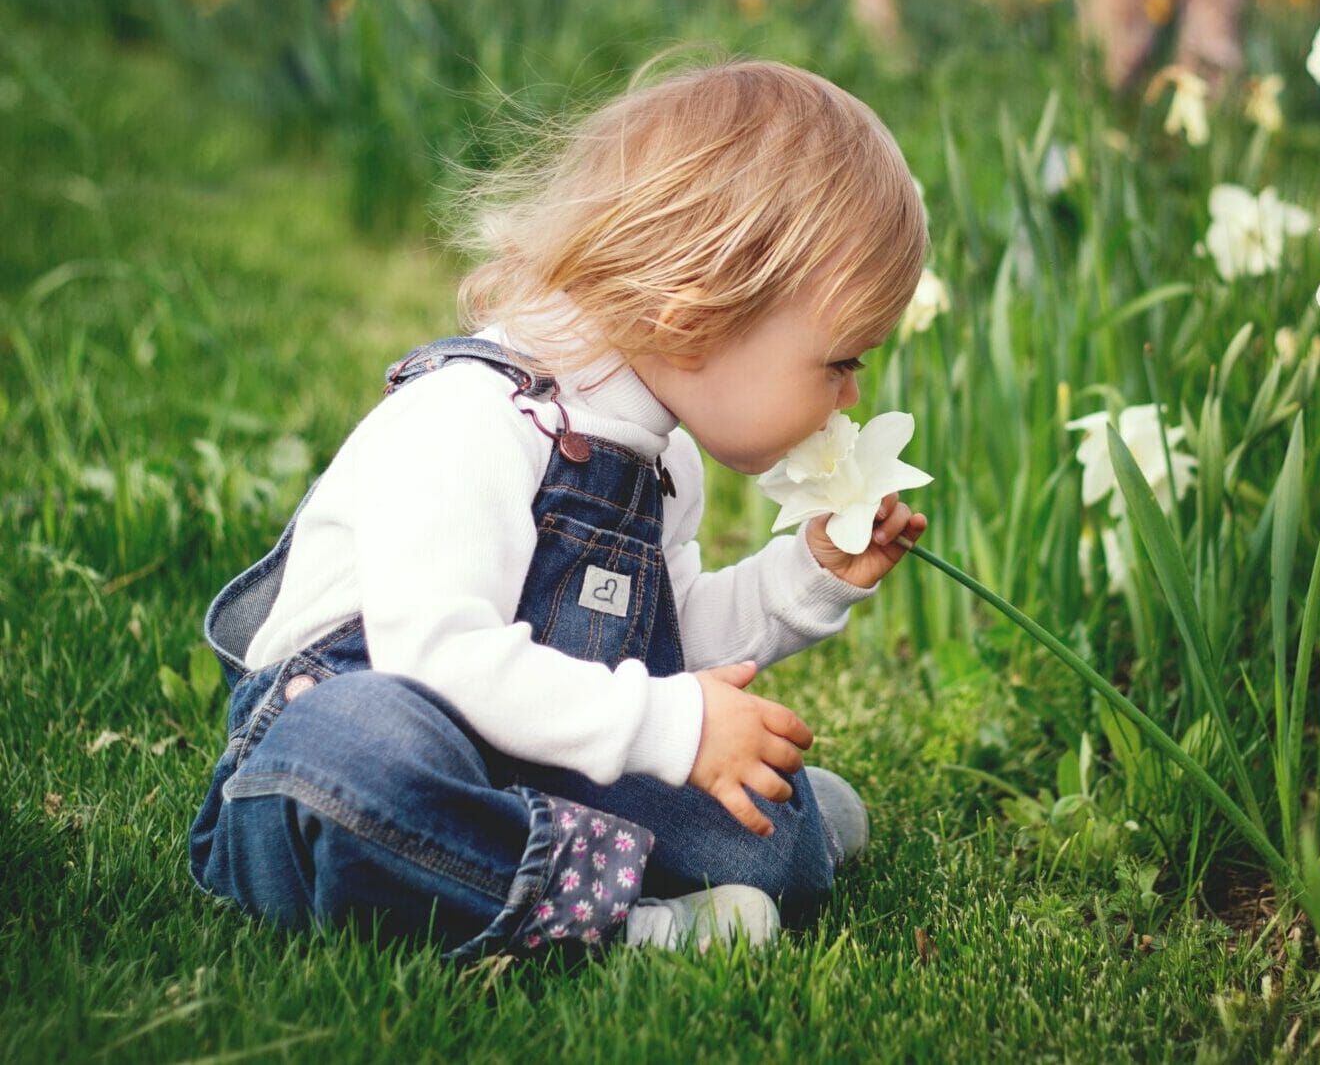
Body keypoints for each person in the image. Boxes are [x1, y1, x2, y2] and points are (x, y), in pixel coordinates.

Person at [186, 58, 930, 961]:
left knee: (767, 830)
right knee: (358, 759)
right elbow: (437, 659)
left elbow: (662, 643)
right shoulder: (473, 418)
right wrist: (672, 727)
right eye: (842, 360)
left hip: (528, 751)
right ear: (699, 312)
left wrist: (804, 578)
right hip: (357, 755)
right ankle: (623, 922)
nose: (850, 397)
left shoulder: (661, 459)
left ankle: (756, 836)